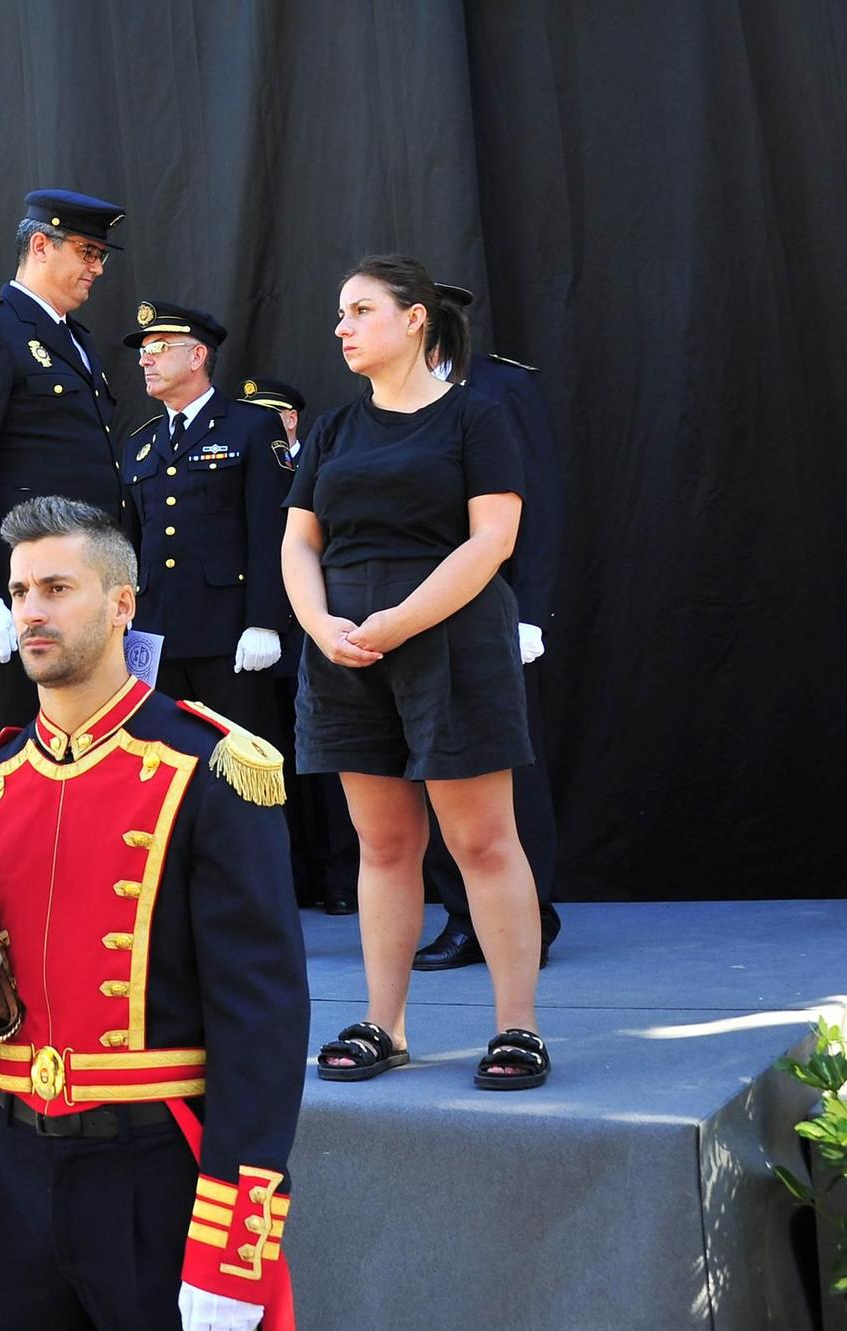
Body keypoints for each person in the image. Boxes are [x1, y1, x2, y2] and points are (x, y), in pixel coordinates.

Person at [0, 495, 306, 1331]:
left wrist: (234, 1248)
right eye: (18, 592)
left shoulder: (207, 768)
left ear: (123, 602)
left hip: (154, 1169)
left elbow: (262, 1026)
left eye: (57, 587)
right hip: (9, 1169)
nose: (31, 613)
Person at [284, 255, 549, 1090]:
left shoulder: (477, 417)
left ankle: (519, 1027)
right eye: (338, 312)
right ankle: (384, 1023)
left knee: (480, 838)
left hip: (449, 643)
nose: (342, 326)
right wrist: (320, 623)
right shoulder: (331, 428)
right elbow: (299, 540)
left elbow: (491, 541)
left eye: (360, 309)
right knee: (386, 842)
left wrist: (400, 620)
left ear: (415, 321)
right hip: (347, 650)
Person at [0, 188, 129, 733]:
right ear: (41, 245)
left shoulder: (78, 342)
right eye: (88, 252)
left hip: (91, 581)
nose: (98, 268)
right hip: (31, 589)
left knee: (96, 746)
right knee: (30, 752)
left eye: (101, 256)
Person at [411, 282, 565, 969]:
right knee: (434, 765)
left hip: (492, 608)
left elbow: (538, 505)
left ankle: (529, 912)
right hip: (417, 610)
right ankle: (460, 912)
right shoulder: (393, 398)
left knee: (506, 771)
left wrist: (530, 609)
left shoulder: (498, 388)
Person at [118, 301, 293, 735]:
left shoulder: (250, 427)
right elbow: (130, 543)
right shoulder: (140, 443)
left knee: (242, 767)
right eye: (143, 350)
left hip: (228, 635)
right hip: (155, 637)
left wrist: (265, 622)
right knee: (163, 766)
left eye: (158, 346)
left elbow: (272, 530)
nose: (145, 358)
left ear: (197, 356)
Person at [242, 376, 359, 917]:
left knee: (330, 768)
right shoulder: (240, 459)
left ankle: (342, 878)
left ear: (290, 419)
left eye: (272, 414)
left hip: (312, 630)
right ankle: (294, 877)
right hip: (257, 638)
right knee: (275, 764)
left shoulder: (317, 465)